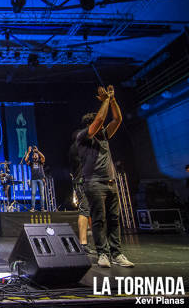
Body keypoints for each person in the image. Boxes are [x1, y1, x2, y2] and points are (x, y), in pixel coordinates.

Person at [76, 85, 134, 268]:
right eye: (98, 125)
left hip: (111, 182)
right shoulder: (83, 136)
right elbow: (101, 118)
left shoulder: (104, 136)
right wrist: (106, 100)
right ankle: (103, 253)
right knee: (99, 219)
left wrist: (113, 99)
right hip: (93, 183)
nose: (102, 126)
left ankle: (117, 253)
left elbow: (117, 119)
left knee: (114, 219)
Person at [69, 130, 96, 255]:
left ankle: (96, 240)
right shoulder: (76, 148)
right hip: (81, 180)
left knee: (92, 210)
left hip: (89, 180)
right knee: (84, 209)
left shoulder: (83, 147)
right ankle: (83, 243)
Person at [24, 146, 46, 212]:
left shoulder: (40, 162)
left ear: (38, 156)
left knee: (42, 194)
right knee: (33, 194)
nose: (35, 156)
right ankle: (32, 208)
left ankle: (42, 208)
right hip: (33, 179)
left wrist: (37, 151)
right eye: (34, 155)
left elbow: (43, 157)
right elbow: (26, 160)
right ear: (32, 157)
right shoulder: (31, 163)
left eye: (36, 155)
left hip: (41, 179)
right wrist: (28, 152)